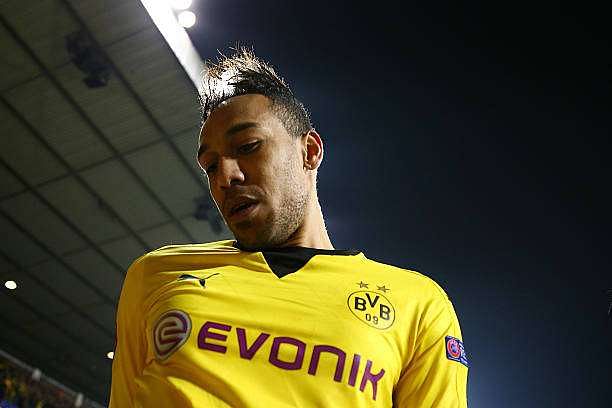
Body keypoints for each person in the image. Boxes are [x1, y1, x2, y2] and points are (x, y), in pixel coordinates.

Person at [109, 48, 469, 407]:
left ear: (309, 151)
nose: (226, 176)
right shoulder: (156, 274)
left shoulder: (419, 304)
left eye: (247, 146)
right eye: (210, 165)